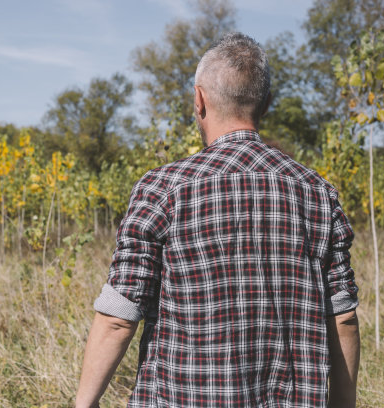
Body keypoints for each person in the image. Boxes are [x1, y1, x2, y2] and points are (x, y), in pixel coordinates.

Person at [75, 32, 360, 408]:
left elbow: (118, 317)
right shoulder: (318, 193)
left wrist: (84, 403)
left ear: (199, 100)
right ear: (266, 104)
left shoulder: (163, 189)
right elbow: (343, 319)